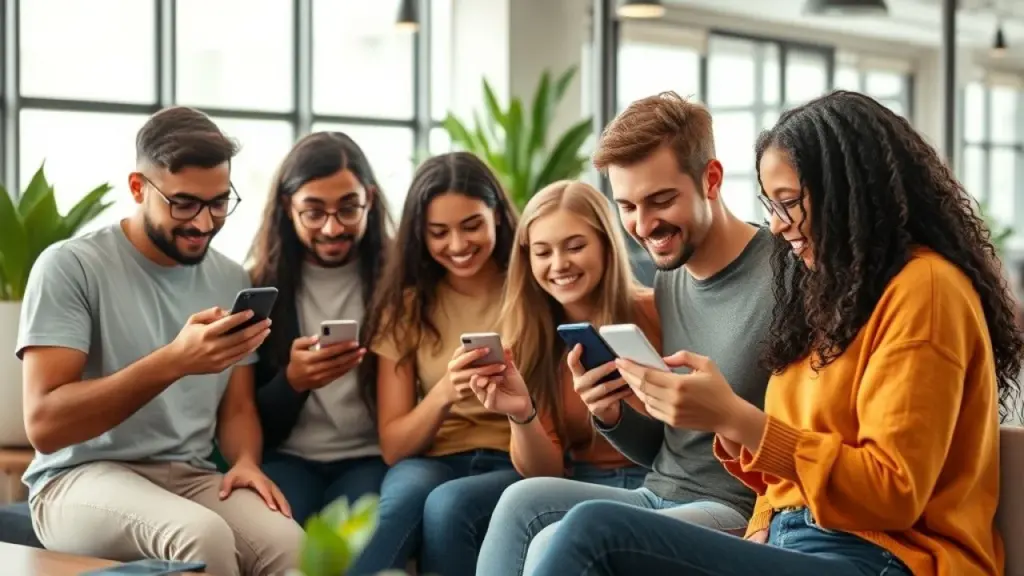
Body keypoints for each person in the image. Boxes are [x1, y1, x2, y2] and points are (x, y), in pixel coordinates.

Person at [528, 89, 1024, 576]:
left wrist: (735, 417)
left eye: (789, 203)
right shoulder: (824, 291)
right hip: (796, 540)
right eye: (771, 203)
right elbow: (781, 476)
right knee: (557, 520)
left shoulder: (925, 290)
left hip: (888, 556)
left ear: (848, 194)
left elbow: (893, 494)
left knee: (594, 532)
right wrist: (761, 518)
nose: (777, 225)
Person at [476, 91, 776, 576]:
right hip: (659, 490)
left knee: (567, 533)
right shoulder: (671, 277)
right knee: (521, 500)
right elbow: (668, 445)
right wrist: (611, 413)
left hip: (734, 505)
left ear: (711, 180)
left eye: (661, 201)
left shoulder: (782, 276)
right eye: (628, 206)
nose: (643, 225)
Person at [17, 106, 303, 576]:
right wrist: (174, 361)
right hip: (77, 477)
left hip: (187, 474)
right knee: (201, 538)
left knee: (290, 546)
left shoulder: (230, 276)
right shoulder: (70, 266)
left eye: (218, 202)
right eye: (184, 203)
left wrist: (247, 461)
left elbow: (236, 409)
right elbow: (46, 425)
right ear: (138, 187)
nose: (204, 223)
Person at [348, 152, 521, 575]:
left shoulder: (531, 291)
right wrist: (444, 393)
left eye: (471, 225)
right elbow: (394, 445)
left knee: (450, 506)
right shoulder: (406, 307)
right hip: (433, 457)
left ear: (496, 215)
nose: (458, 246)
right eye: (438, 232)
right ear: (419, 236)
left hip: (514, 460)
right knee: (403, 501)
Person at [468, 179, 659, 489]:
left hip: (660, 480)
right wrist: (521, 413)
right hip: (583, 482)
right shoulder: (528, 340)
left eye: (575, 247)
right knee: (513, 497)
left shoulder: (657, 309)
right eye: (543, 253)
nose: (559, 265)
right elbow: (545, 475)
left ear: (606, 245)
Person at [247, 132, 393, 527]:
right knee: (277, 541)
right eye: (313, 212)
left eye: (349, 209)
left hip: (371, 456)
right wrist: (292, 382)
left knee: (358, 546)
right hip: (289, 457)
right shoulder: (261, 288)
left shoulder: (399, 279)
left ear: (370, 201)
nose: (332, 229)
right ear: (286, 207)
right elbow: (246, 416)